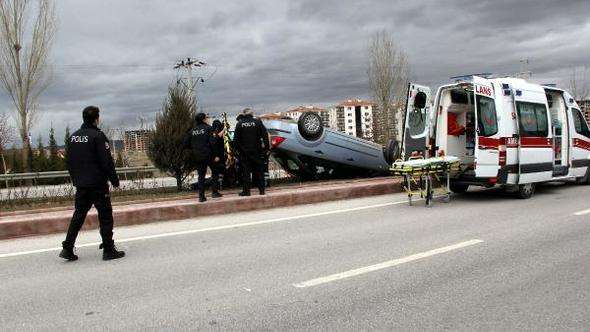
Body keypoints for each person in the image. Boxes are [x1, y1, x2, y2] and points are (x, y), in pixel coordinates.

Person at [60, 106, 125, 261]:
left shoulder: (74, 137)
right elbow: (106, 162)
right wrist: (115, 181)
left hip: (81, 185)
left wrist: (76, 179)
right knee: (105, 216)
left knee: (78, 215)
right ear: (97, 119)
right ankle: (108, 249)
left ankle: (67, 248)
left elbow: (69, 161)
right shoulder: (98, 136)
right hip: (97, 184)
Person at [233, 108, 269, 196]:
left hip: (245, 152)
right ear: (252, 114)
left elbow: (236, 140)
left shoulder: (239, 124)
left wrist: (239, 151)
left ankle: (246, 191)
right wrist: (266, 149)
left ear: (244, 114)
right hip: (257, 151)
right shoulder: (258, 122)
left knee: (246, 172)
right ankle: (262, 190)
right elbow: (265, 136)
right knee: (259, 171)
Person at [184, 112, 218, 202]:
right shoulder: (209, 128)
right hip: (209, 155)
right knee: (215, 172)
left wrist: (195, 149)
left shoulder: (192, 131)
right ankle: (214, 192)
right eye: (206, 117)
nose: (207, 119)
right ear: (203, 119)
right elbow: (213, 143)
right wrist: (216, 155)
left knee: (201, 176)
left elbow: (186, 144)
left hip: (198, 156)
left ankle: (201, 196)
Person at [211, 119, 226, 195]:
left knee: (218, 172)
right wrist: (224, 129)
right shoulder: (214, 132)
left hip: (219, 154)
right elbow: (217, 137)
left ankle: (218, 186)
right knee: (216, 173)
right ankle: (215, 189)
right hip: (217, 155)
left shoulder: (213, 130)